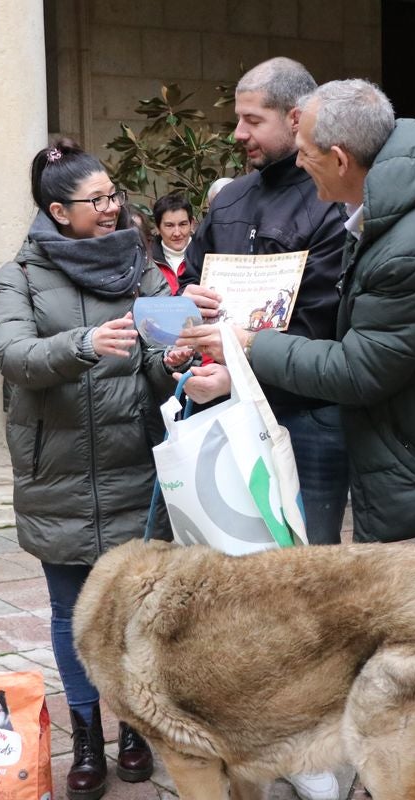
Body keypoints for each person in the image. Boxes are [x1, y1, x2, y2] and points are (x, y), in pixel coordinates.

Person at [178, 79, 415, 582]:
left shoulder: (410, 245)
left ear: (340, 159)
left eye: (305, 153)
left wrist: (247, 344)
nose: (297, 164)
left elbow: (361, 370)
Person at [0, 139, 191, 799]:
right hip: (59, 475)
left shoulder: (145, 270)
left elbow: (158, 372)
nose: (112, 208)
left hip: (135, 465)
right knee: (71, 612)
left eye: (114, 196)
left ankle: (133, 728)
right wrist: (82, 344)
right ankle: (86, 739)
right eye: (97, 200)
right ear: (58, 210)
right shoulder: (17, 276)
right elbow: (15, 355)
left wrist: (183, 351)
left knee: (133, 610)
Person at [180, 57, 351, 560]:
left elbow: (324, 319)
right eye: (238, 119)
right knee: (232, 556)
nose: (237, 133)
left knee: (306, 560)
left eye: (253, 120)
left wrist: (238, 371)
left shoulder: (331, 201)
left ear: (296, 119)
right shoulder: (230, 199)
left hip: (309, 417)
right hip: (226, 410)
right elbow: (191, 278)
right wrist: (184, 303)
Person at [150, 192, 194, 293]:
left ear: (192, 224)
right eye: (169, 225)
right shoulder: (147, 260)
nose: (177, 233)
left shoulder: (205, 256)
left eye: (183, 224)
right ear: (157, 228)